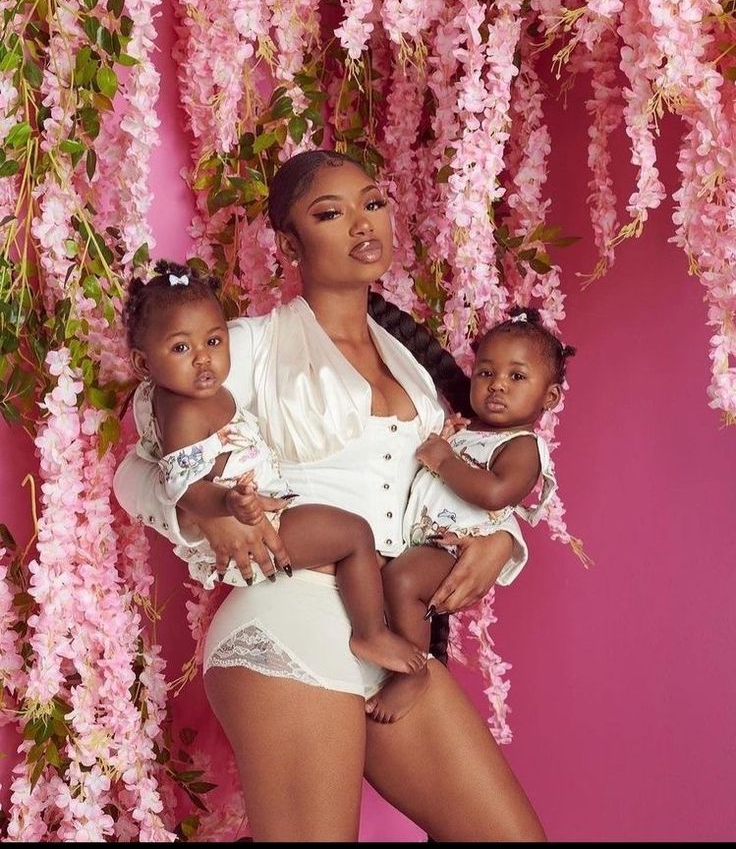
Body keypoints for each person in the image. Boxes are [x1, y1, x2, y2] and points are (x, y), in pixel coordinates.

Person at [113, 149, 547, 841]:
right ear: (290, 243)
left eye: (372, 203)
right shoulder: (247, 346)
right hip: (290, 621)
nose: (360, 224)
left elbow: (455, 479)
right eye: (329, 213)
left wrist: (502, 539)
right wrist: (203, 515)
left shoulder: (416, 360)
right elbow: (134, 471)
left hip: (386, 631)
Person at [121, 258, 427, 675]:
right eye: (180, 348)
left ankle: (373, 630)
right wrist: (228, 506)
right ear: (143, 364)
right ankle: (369, 634)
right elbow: (186, 488)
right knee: (355, 534)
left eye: (214, 342)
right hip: (261, 532)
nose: (203, 359)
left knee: (357, 551)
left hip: (268, 515)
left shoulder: (196, 397)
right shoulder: (183, 411)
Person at [370, 306, 574, 723]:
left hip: (454, 549)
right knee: (379, 578)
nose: (497, 385)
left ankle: (414, 670)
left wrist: (444, 460)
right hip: (423, 538)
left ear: (549, 396)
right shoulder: (466, 430)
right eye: (486, 373)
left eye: (517, 377)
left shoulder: (522, 446)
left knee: (402, 579)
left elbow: (497, 493)